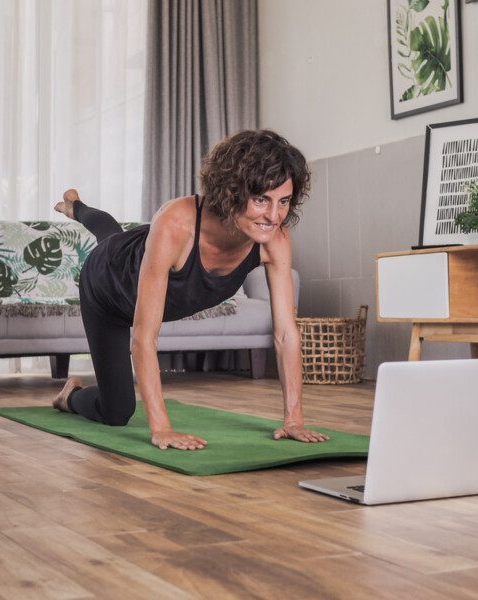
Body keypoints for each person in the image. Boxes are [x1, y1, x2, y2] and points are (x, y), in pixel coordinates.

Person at [51, 129, 329, 451]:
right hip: (106, 286)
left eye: (283, 202)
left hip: (140, 251)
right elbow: (143, 337)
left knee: (111, 233)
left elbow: (285, 334)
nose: (273, 215)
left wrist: (293, 419)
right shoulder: (176, 222)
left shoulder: (273, 240)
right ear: (232, 191)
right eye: (260, 200)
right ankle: (69, 395)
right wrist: (162, 428)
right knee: (116, 412)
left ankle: (76, 207)